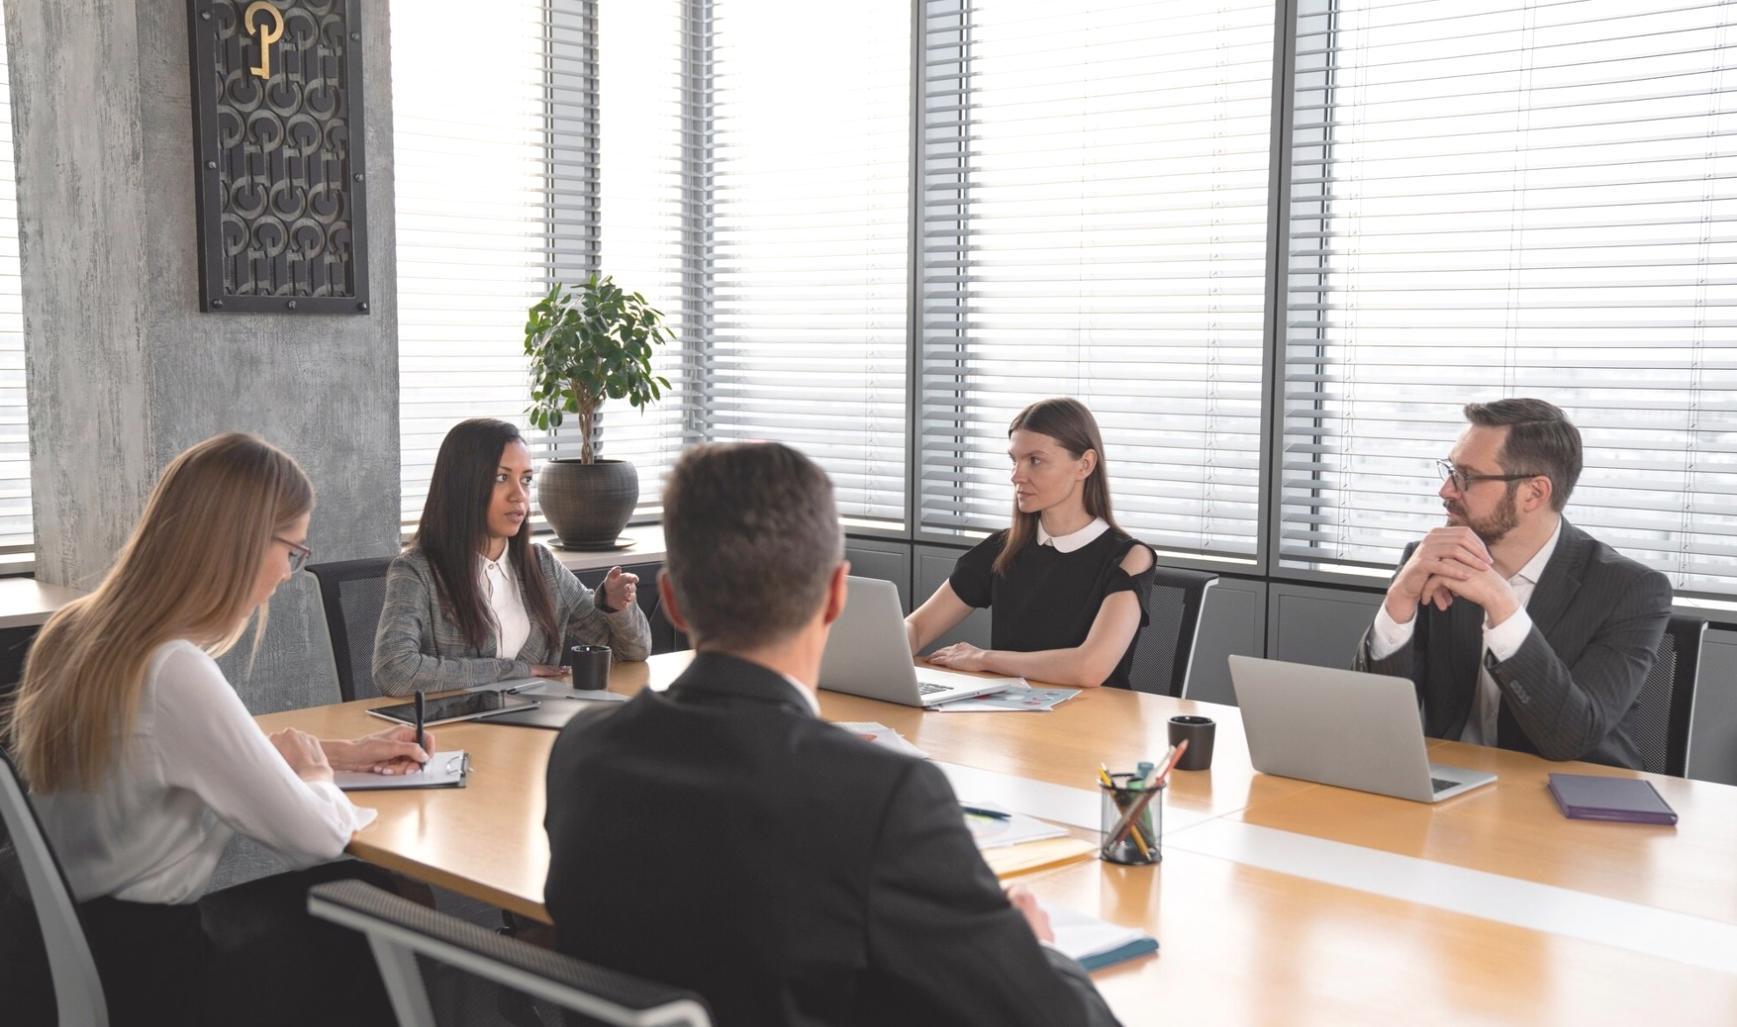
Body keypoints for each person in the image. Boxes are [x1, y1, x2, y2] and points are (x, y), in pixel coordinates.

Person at [544, 442, 1122, 1027]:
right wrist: (1039, 950)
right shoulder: (881, 795)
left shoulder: (582, 751)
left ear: (671, 600)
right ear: (837, 594)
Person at [4, 433, 427, 1025]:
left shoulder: (76, 632)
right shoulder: (173, 669)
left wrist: (337, 752)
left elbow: (164, 753)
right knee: (371, 893)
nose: (288, 574)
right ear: (243, 542)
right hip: (155, 977)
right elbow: (316, 837)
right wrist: (316, 774)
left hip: (63, 952)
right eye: (292, 551)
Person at [1355, 398, 1673, 769]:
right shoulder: (1429, 560)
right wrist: (1398, 601)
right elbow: (1372, 723)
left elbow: (1571, 736)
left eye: (1466, 477)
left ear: (1534, 493)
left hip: (1570, 802)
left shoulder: (1629, 590)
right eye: (1450, 470)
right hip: (1454, 788)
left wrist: (1503, 606)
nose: (1446, 490)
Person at [372, 417, 651, 695]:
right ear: (462, 485)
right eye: (501, 478)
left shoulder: (542, 566)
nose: (519, 496)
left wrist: (617, 608)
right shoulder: (417, 571)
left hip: (536, 730)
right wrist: (515, 671)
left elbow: (633, 652)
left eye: (526, 480)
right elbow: (394, 670)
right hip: (455, 732)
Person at [905, 397, 1157, 688]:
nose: (1016, 476)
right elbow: (918, 626)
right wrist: (887, 647)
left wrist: (985, 659)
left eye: (1035, 461)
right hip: (1013, 719)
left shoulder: (1130, 557)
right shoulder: (1003, 548)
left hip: (1092, 723)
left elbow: (1089, 668)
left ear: (1085, 465)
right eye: (1015, 460)